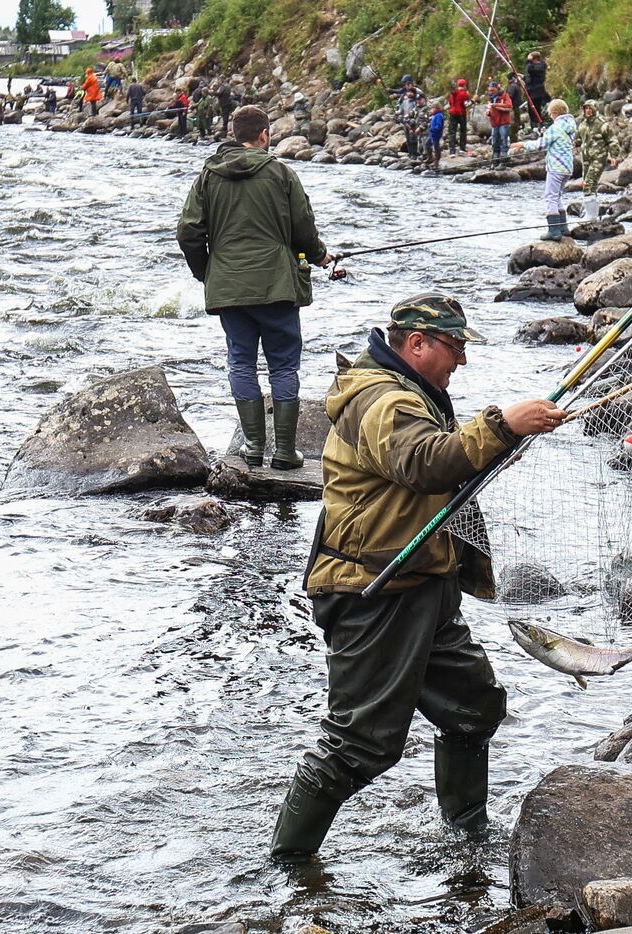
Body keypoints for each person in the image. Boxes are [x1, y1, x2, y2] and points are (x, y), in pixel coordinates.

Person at [269, 292, 566, 863]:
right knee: (361, 744)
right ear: (417, 344)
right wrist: (502, 423)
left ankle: (466, 843)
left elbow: (437, 469)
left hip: (424, 584)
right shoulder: (383, 401)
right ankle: (288, 867)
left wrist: (497, 443)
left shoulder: (414, 393)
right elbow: (424, 462)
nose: (461, 361)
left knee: (472, 707)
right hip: (374, 593)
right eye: (454, 348)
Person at [176, 105, 332, 473]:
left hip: (228, 288)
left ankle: (253, 447)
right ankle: (285, 453)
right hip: (276, 285)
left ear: (234, 133)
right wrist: (321, 256)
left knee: (241, 362)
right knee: (283, 364)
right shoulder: (281, 173)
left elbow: (188, 233)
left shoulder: (207, 178)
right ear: (264, 135)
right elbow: (304, 230)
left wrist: (208, 272)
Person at [513, 99, 578, 239]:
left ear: (554, 113)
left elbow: (540, 145)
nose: (550, 116)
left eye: (550, 113)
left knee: (550, 197)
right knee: (557, 196)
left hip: (556, 167)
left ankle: (554, 232)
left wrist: (523, 145)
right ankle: (563, 228)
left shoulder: (555, 128)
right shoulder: (571, 126)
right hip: (568, 167)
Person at [577, 99, 620, 221]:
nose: (588, 111)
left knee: (589, 183)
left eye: (590, 109)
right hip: (586, 158)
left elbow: (612, 140)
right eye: (586, 109)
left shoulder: (602, 124)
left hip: (598, 158)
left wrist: (614, 156)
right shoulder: (583, 124)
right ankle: (591, 213)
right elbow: (579, 139)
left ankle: (591, 216)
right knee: (588, 183)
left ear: (595, 109)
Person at [486, 80, 513, 161]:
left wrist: (496, 105)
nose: (491, 92)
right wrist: (488, 112)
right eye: (490, 90)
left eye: (492, 90)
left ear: (497, 88)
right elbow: (490, 109)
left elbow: (509, 106)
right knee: (494, 142)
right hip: (494, 123)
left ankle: (504, 158)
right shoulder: (490, 98)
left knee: (504, 141)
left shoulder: (504, 95)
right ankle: (495, 158)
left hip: (503, 123)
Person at [398, 85, 425, 160]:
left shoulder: (415, 102)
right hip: (405, 123)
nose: (409, 94)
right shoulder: (404, 102)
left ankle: (415, 154)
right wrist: (398, 115)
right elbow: (401, 111)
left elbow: (416, 112)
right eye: (408, 92)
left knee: (413, 139)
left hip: (413, 123)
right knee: (408, 139)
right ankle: (410, 154)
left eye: (411, 92)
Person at [524, 51, 551, 124]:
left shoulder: (540, 66)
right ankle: (534, 123)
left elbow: (530, 70)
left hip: (536, 91)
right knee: (531, 110)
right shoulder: (533, 66)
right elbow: (529, 76)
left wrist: (528, 61)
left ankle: (537, 123)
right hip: (531, 91)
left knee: (535, 109)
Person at [447, 78, 470, 156]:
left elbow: (450, 103)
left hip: (452, 113)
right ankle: (462, 148)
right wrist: (473, 100)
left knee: (452, 132)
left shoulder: (453, 94)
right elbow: (466, 105)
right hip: (461, 113)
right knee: (463, 131)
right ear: (464, 85)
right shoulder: (465, 94)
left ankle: (452, 150)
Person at [425, 102, 445, 168]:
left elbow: (438, 126)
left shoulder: (439, 115)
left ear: (437, 108)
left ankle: (437, 159)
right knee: (427, 143)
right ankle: (430, 157)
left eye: (433, 108)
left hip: (436, 133)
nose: (432, 110)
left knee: (436, 146)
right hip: (432, 133)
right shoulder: (435, 115)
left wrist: (432, 129)